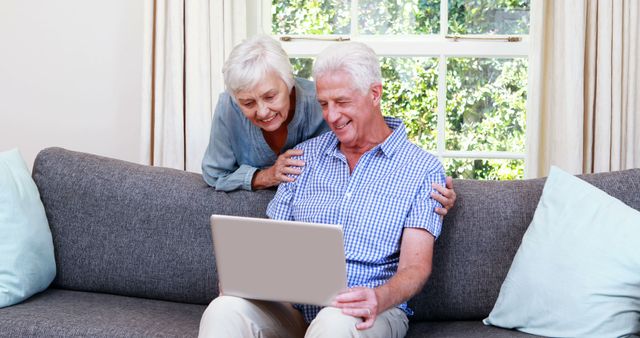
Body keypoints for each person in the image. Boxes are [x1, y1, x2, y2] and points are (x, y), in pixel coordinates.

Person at [199, 41, 447, 338]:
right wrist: (246, 279)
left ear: (375, 94)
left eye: (342, 102)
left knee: (334, 323)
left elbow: (416, 268)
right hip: (293, 310)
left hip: (368, 312)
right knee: (224, 308)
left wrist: (379, 297)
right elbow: (272, 248)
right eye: (323, 104)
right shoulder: (302, 159)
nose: (330, 116)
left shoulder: (423, 170)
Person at [201, 35, 456, 215]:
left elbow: (372, 142)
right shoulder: (229, 107)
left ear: (288, 82)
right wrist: (266, 177)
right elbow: (214, 174)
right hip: (282, 211)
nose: (262, 111)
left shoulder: (324, 102)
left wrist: (424, 189)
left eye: (270, 97)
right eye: (248, 102)